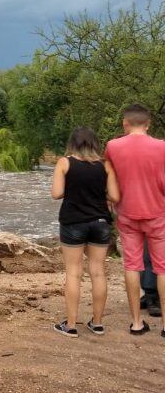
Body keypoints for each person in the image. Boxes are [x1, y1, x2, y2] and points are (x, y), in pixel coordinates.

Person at [51, 127, 120, 337]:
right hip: (100, 222)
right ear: (95, 143)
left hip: (73, 222)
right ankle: (97, 323)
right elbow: (115, 197)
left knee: (73, 271)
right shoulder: (105, 165)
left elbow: (56, 193)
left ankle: (71, 325)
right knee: (98, 271)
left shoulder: (65, 162)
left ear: (73, 143)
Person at [105, 104, 165, 336]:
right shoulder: (162, 146)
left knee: (132, 265)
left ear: (125, 123)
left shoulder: (112, 146)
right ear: (148, 124)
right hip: (158, 213)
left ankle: (137, 323)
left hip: (127, 214)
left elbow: (109, 175)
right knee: (162, 268)